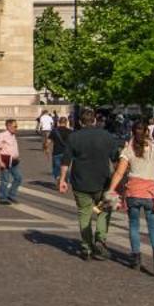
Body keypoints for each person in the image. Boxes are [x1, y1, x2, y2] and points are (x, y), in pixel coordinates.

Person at [57, 112, 123, 263]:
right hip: (103, 181)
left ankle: (86, 247)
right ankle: (100, 238)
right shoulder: (106, 136)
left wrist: (62, 179)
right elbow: (115, 159)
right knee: (104, 211)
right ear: (94, 121)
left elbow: (66, 160)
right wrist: (117, 181)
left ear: (80, 122)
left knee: (84, 214)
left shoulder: (74, 137)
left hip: (81, 182)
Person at [109, 121, 154, 274]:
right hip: (152, 192)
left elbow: (120, 173)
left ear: (132, 132)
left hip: (133, 191)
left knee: (134, 225)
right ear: (148, 132)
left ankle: (136, 256)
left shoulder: (128, 149)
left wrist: (111, 189)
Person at [0, 118, 22, 205]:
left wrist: (17, 156)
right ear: (8, 126)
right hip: (5, 160)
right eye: (15, 126)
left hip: (14, 161)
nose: (16, 128)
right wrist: (0, 162)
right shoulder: (2, 135)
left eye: (16, 126)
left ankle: (11, 194)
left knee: (18, 178)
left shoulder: (13, 135)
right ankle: (3, 198)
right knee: (5, 180)